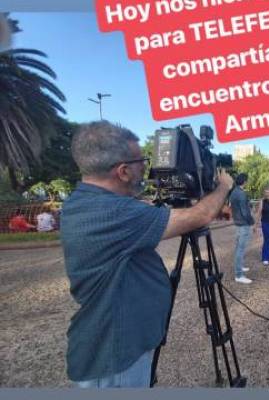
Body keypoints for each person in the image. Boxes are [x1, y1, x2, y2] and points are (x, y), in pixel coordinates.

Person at [60, 121, 234, 388]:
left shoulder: (84, 202)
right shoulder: (115, 213)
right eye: (142, 160)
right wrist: (223, 186)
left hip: (117, 344)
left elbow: (137, 210)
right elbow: (200, 215)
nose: (148, 167)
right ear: (124, 171)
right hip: (117, 356)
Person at [229, 173, 255, 284]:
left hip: (237, 222)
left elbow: (233, 206)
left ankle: (240, 266)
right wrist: (252, 221)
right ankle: (239, 275)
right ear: (244, 181)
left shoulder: (234, 192)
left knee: (238, 247)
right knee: (241, 248)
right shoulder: (241, 193)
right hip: (243, 224)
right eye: (247, 180)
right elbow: (245, 212)